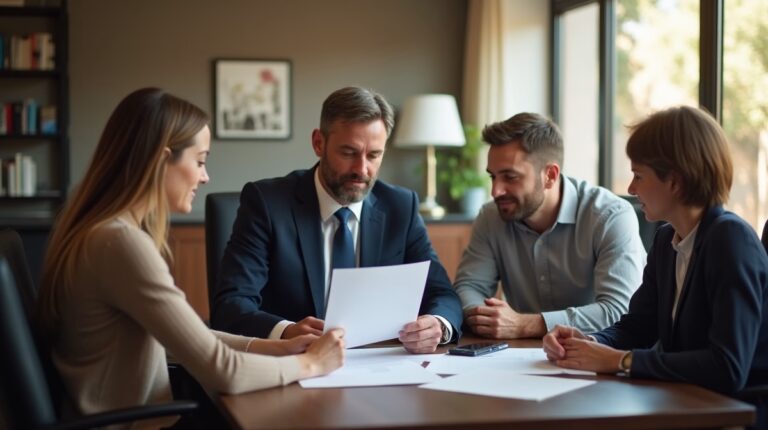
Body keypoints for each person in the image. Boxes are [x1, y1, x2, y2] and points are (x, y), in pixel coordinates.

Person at [36, 88, 345, 428]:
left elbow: (186, 338)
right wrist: (312, 364)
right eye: (199, 161)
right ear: (160, 161)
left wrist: (277, 348)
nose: (205, 176)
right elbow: (223, 371)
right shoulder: (121, 244)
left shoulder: (98, 233)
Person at [543, 106, 768, 429]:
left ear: (675, 181)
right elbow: (639, 326)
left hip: (739, 414)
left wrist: (621, 360)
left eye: (639, 175)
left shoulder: (731, 240)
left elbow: (727, 367)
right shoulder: (666, 240)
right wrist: (591, 341)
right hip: (688, 403)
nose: (631, 189)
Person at [211, 86, 463, 353]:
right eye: (349, 153)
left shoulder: (400, 207)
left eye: (374, 155)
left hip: (379, 362)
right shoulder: (268, 203)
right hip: (294, 362)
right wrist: (285, 331)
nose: (361, 169)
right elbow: (230, 305)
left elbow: (442, 293)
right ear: (319, 143)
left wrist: (438, 324)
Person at [454, 112, 646, 339]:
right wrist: (485, 318)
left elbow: (619, 310)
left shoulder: (610, 215)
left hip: (597, 351)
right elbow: (469, 287)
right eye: (493, 177)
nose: (495, 191)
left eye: (510, 177)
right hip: (518, 352)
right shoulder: (491, 217)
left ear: (550, 176)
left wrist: (526, 325)